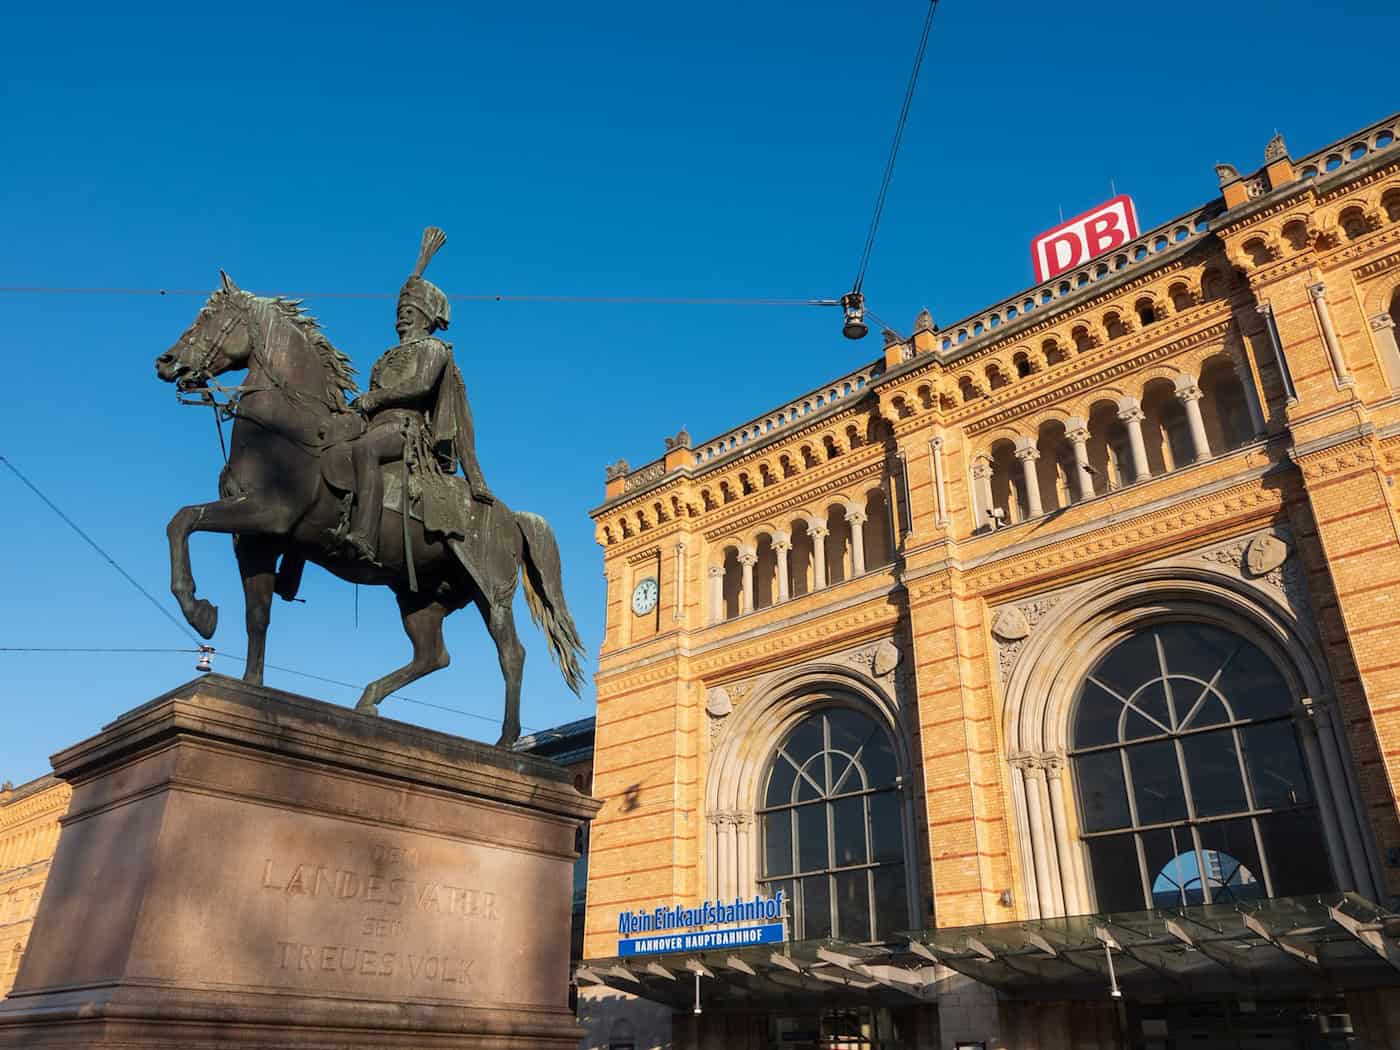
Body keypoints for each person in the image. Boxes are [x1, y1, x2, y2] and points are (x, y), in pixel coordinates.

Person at [342, 227, 493, 564]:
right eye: (400, 311)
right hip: (375, 424)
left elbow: (421, 386)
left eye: (409, 312)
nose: (402, 316)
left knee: (365, 450)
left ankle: (366, 535)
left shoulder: (433, 348)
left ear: (425, 317)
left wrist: (375, 399)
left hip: (407, 433)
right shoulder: (384, 357)